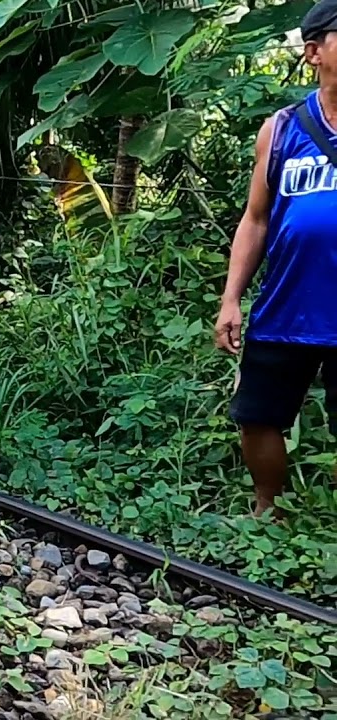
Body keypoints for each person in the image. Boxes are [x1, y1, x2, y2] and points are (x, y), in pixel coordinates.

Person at [217, 0, 337, 518]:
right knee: (258, 416)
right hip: (287, 304)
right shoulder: (283, 128)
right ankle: (269, 510)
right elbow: (256, 219)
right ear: (314, 51)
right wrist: (231, 299)